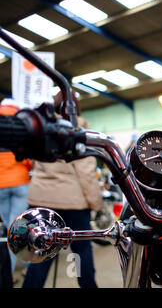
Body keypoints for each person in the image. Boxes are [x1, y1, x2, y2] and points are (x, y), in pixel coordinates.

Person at [22, 91, 102, 288]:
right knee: (81, 252)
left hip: (41, 200)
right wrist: (96, 203)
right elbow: (86, 172)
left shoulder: (40, 130)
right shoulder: (78, 130)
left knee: (41, 252)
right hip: (73, 202)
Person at [0, 98, 32, 282]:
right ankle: (12, 273)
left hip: (0, 185)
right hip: (20, 181)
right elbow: (28, 156)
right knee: (17, 229)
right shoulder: (22, 123)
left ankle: (11, 273)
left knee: (9, 229)